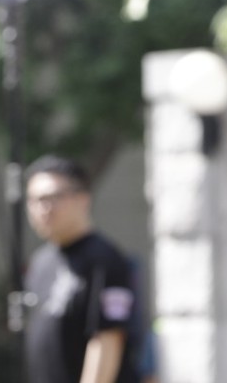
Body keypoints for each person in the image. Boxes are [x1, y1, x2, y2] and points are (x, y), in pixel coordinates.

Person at [23, 155, 141, 383]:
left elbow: (108, 338)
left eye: (52, 197)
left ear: (82, 199)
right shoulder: (40, 262)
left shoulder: (104, 259)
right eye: (34, 200)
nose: (43, 208)